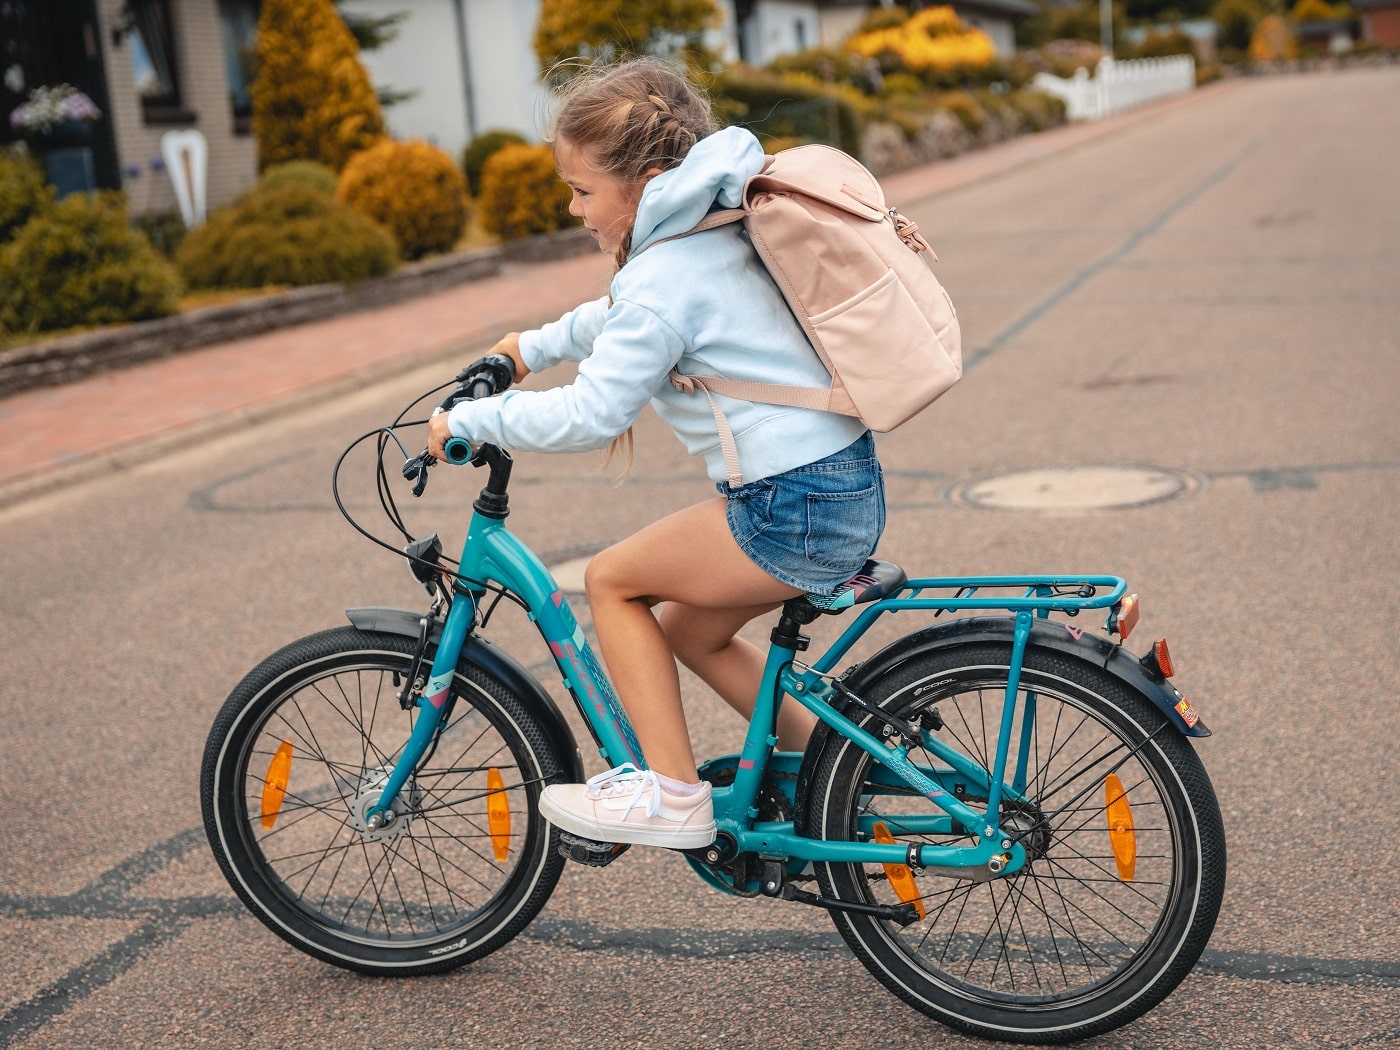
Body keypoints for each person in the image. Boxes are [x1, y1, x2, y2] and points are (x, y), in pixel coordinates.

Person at [427, 58, 885, 850]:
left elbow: (595, 411)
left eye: (581, 190)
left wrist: (485, 419)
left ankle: (672, 798)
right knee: (687, 629)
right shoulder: (710, 224)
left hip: (791, 506)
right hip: (836, 485)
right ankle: (837, 761)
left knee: (612, 580)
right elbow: (613, 318)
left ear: (641, 183)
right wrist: (525, 349)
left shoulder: (666, 273)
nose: (574, 209)